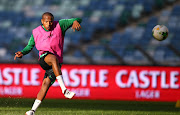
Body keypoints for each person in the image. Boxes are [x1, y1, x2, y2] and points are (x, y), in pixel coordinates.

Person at [14, 12, 82, 115]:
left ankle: (32, 111)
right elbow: (29, 46)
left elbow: (77, 19)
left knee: (45, 84)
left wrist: (76, 21)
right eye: (46, 21)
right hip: (44, 58)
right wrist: (22, 52)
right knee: (53, 58)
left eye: (51, 21)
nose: (49, 24)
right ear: (42, 21)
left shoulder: (60, 25)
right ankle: (64, 89)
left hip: (57, 64)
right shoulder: (36, 32)